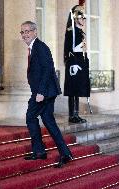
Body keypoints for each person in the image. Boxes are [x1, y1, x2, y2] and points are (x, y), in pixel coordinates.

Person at [20, 21, 73, 168]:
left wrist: (41, 92)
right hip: (45, 92)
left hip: (44, 92)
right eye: (22, 32)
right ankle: (64, 153)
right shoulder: (34, 47)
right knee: (48, 121)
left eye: (28, 31)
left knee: (31, 117)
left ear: (35, 32)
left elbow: (48, 69)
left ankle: (40, 151)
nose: (25, 34)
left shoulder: (40, 47)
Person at [63, 5, 90, 123]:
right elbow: (69, 49)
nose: (83, 20)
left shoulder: (79, 31)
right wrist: (73, 61)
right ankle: (71, 115)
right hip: (74, 62)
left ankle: (76, 114)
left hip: (80, 61)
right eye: (81, 18)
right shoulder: (71, 31)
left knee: (78, 89)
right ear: (75, 18)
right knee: (72, 89)